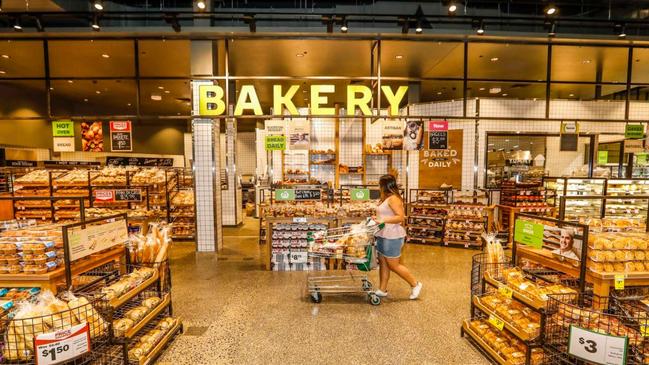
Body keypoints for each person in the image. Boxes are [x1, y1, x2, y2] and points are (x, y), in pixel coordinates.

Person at [372, 174, 422, 300]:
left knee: (394, 264)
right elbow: (385, 215)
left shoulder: (394, 199)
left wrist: (382, 220)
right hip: (383, 234)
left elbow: (400, 217)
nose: (379, 187)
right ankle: (382, 289)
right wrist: (376, 219)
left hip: (392, 236)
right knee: (383, 262)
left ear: (384, 185)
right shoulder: (385, 198)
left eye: (380, 185)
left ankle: (415, 284)